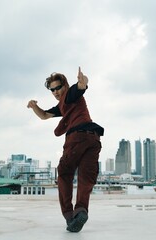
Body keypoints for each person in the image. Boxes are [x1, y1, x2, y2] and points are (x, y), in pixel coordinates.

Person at [27, 67, 104, 232]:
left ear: (65, 86)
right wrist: (34, 107)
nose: (55, 92)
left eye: (58, 88)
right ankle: (81, 211)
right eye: (52, 90)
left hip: (78, 138)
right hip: (94, 139)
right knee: (85, 178)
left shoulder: (69, 95)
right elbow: (45, 115)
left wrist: (83, 81)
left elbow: (80, 87)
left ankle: (69, 216)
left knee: (64, 173)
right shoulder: (63, 105)